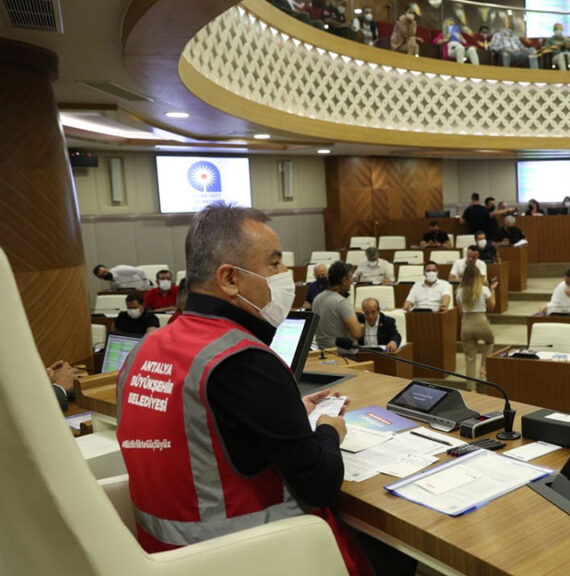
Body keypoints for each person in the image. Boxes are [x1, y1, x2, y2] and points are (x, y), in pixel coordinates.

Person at [115, 202, 404, 576]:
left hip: (164, 555)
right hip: (250, 558)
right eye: (274, 263)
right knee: (396, 549)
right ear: (229, 279)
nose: (286, 275)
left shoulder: (145, 349)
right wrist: (329, 430)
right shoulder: (244, 359)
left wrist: (289, 411)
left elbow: (201, 438)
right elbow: (320, 485)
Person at [456, 264, 497, 382]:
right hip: (481, 321)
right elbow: (492, 307)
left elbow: (460, 313)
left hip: (466, 323)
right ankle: (483, 369)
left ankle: (471, 388)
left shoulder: (459, 292)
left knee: (470, 358)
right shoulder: (484, 290)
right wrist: (493, 289)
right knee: (490, 341)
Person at [313, 262, 362, 352]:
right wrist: (363, 326)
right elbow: (357, 333)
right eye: (351, 277)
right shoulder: (341, 302)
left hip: (322, 353)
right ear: (344, 281)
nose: (352, 280)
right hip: (344, 356)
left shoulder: (317, 299)